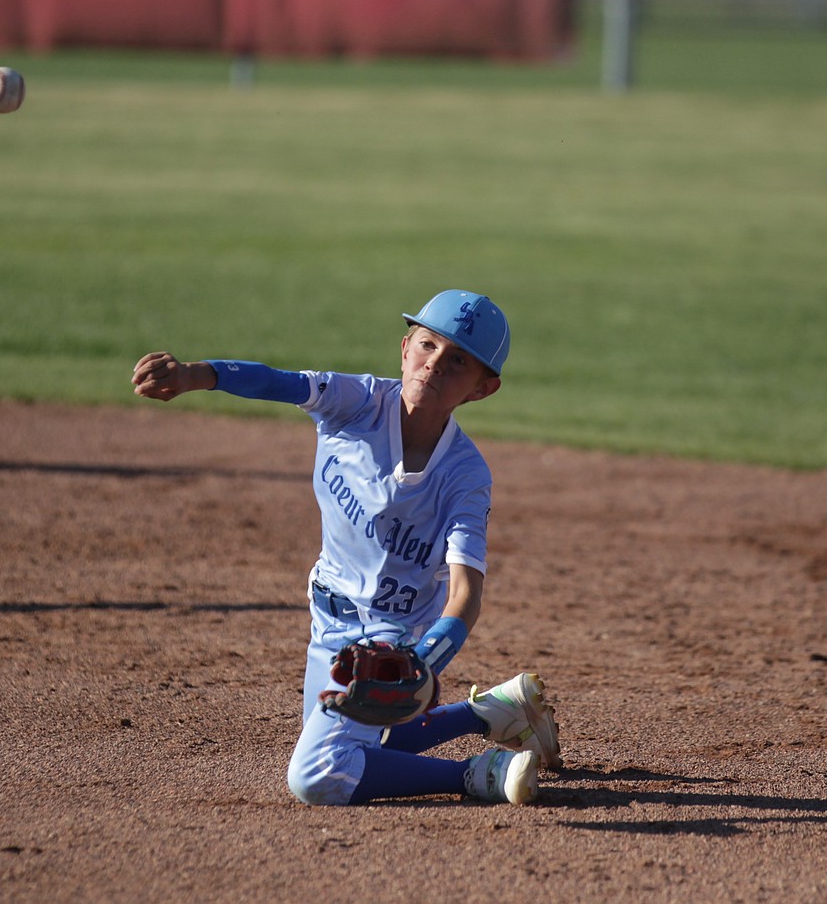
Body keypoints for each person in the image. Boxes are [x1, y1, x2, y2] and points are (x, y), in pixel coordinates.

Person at [131, 289, 560, 805]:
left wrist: (422, 663)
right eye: (427, 345)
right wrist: (196, 374)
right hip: (327, 619)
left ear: (482, 389)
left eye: (459, 361)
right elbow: (275, 381)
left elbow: (466, 595)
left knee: (317, 774)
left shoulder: (465, 475)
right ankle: (490, 712)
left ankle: (475, 773)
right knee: (371, 726)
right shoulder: (355, 402)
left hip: (395, 634)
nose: (435, 364)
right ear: (405, 348)